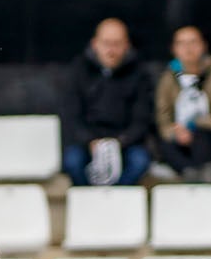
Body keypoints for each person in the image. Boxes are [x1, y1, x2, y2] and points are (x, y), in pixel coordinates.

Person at [63, 18, 153, 187]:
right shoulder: (78, 70)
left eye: (117, 44)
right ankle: (88, 201)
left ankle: (117, 201)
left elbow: (142, 118)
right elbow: (71, 116)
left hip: (125, 143)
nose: (111, 50)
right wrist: (90, 141)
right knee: (72, 161)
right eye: (106, 43)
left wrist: (119, 142)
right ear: (95, 43)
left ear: (126, 45)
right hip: (88, 143)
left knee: (140, 161)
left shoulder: (139, 74)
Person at [154, 25, 211, 183]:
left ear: (203, 46)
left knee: (200, 137)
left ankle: (198, 179)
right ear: (174, 49)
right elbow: (163, 120)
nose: (188, 48)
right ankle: (193, 176)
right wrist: (176, 132)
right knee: (164, 144)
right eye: (182, 43)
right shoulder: (168, 79)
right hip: (180, 142)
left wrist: (194, 124)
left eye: (193, 42)